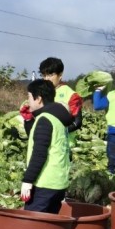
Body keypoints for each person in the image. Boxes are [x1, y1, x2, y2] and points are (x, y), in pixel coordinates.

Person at [19, 79, 72, 213]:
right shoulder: (58, 118)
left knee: (34, 222)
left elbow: (39, 153)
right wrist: (28, 120)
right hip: (58, 182)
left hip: (45, 183)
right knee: (49, 222)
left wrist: (28, 180)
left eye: (29, 97)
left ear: (39, 99)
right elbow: (41, 139)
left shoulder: (45, 119)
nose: (28, 101)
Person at [38, 57, 82, 131]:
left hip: (65, 138)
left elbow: (77, 122)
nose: (46, 79)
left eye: (51, 75)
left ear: (60, 75)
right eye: (44, 75)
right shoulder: (40, 93)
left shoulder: (71, 95)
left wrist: (60, 131)